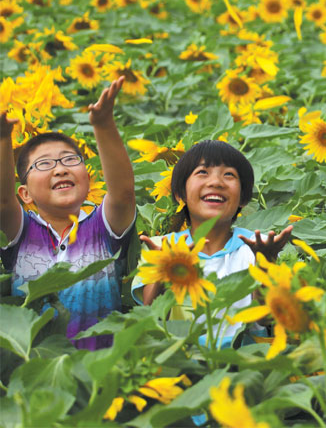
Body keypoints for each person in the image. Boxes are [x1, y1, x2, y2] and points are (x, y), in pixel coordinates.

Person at [0, 77, 137, 350]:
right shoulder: (22, 232)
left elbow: (123, 194)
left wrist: (103, 125)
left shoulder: (102, 226)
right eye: (44, 164)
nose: (60, 169)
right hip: (34, 366)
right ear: (24, 193)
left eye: (70, 160)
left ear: (88, 178)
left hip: (98, 368)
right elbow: (3, 203)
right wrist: (4, 140)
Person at [132, 139, 292, 348]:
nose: (216, 182)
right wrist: (165, 270)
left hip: (243, 363)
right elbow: (151, 316)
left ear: (243, 198)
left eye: (229, 175)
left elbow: (265, 319)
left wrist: (266, 262)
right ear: (180, 194)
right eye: (202, 172)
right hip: (179, 364)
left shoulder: (252, 247)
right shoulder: (162, 247)